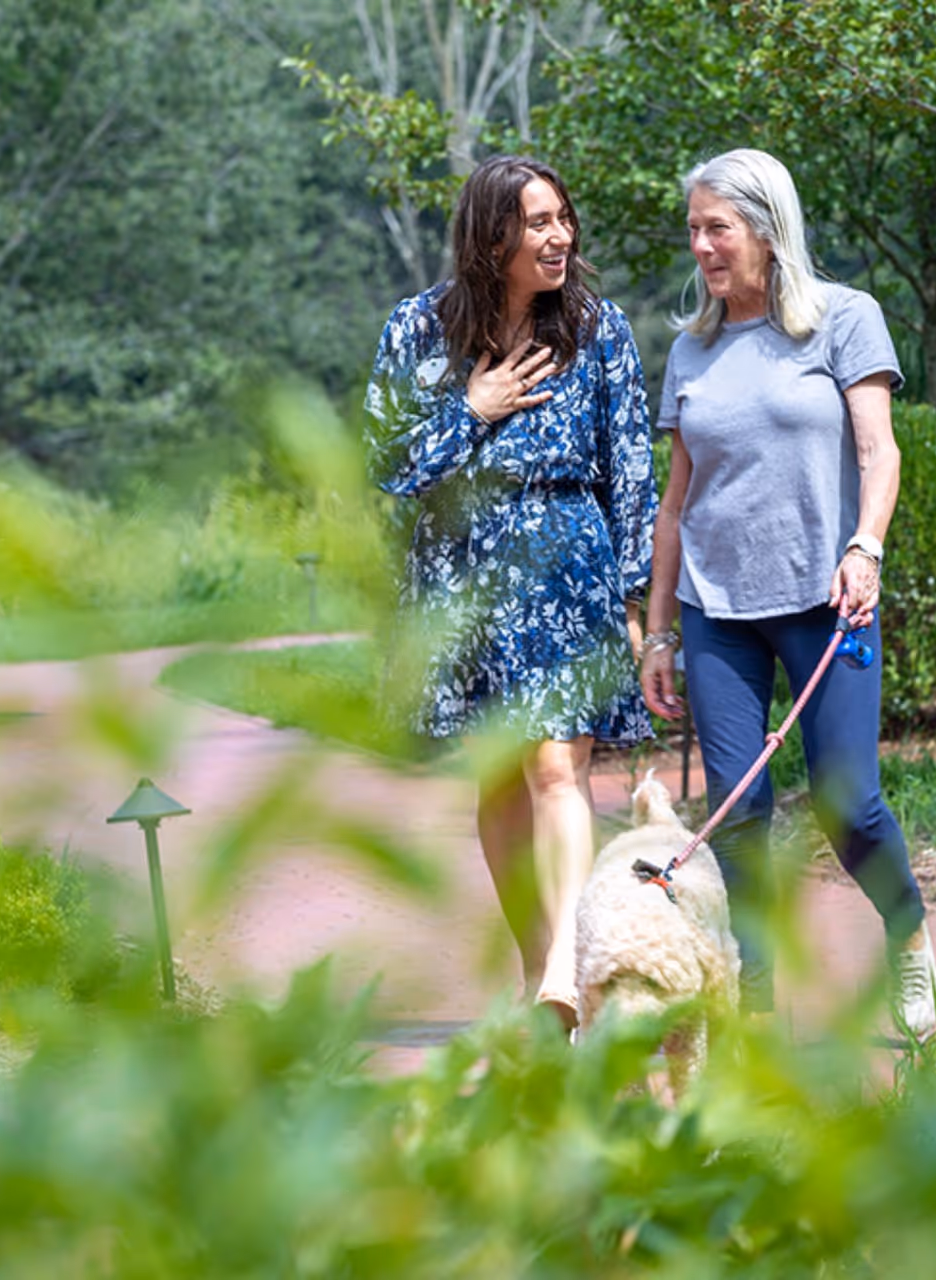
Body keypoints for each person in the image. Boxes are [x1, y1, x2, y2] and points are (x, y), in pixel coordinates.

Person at [639, 148, 936, 1039]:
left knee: (848, 799)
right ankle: (757, 1002)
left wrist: (867, 548)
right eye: (693, 230)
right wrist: (659, 634)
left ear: (768, 230)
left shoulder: (844, 320)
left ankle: (909, 932)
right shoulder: (693, 351)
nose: (701, 246)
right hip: (716, 610)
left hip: (827, 596)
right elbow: (674, 500)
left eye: (717, 228)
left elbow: (879, 452)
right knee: (738, 808)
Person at [366, 155, 656, 1031]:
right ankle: (547, 977)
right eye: (538, 222)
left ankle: (565, 963)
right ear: (491, 237)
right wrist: (475, 409)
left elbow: (632, 465)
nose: (560, 235)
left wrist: (637, 601)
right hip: (460, 574)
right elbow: (386, 465)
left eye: (563, 218)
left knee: (555, 769)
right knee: (498, 780)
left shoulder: (597, 330)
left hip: (567, 561)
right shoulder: (418, 330)